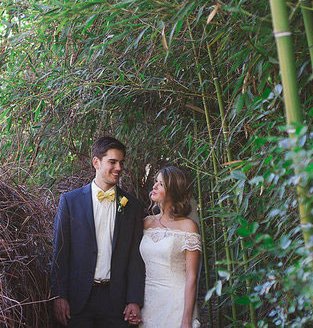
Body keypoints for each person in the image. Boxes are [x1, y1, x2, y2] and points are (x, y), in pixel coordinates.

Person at [51, 136, 145, 326]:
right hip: (78, 300)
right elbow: (60, 252)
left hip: (116, 301)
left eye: (121, 162)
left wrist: (134, 299)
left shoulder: (133, 206)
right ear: (96, 162)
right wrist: (59, 295)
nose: (119, 168)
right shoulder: (70, 202)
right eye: (112, 162)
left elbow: (136, 256)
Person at [140, 165, 201, 328]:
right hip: (148, 300)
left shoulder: (188, 227)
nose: (153, 187)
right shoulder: (146, 222)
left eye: (160, 184)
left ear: (173, 191)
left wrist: (186, 319)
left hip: (176, 301)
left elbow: (192, 276)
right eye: (155, 181)